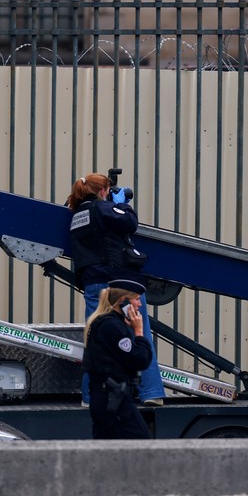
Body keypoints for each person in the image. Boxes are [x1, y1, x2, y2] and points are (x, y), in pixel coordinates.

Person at [66, 172, 165, 407]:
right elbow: (129, 223)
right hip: (119, 282)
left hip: (92, 283)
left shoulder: (76, 215)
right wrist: (120, 205)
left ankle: (90, 397)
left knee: (96, 336)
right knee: (140, 331)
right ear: (102, 191)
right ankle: (151, 392)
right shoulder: (102, 208)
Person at [82, 279, 153, 439]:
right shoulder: (112, 327)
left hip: (108, 398)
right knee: (142, 444)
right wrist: (139, 331)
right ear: (123, 302)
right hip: (112, 400)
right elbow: (141, 359)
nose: (139, 305)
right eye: (136, 299)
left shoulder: (109, 323)